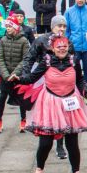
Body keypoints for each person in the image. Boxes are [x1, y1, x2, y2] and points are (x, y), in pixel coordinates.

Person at [18, 35, 87, 173]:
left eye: (64, 46)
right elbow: (32, 78)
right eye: (58, 46)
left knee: (72, 142)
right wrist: (18, 79)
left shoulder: (74, 61)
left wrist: (85, 92)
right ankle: (39, 170)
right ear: (52, 48)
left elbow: (79, 80)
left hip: (70, 103)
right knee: (45, 143)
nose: (62, 48)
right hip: (50, 104)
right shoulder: (46, 62)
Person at [22, 14, 70, 159]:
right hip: (44, 80)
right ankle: (45, 141)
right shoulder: (41, 40)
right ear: (52, 27)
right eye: (59, 26)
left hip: (63, 83)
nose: (61, 29)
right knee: (48, 114)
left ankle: (60, 145)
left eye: (64, 26)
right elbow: (29, 58)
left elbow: (73, 60)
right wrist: (26, 75)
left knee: (62, 114)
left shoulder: (67, 41)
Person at [0, 14, 29, 133]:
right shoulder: (3, 40)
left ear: (15, 27)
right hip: (6, 76)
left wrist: (15, 74)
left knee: (21, 98)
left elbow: (25, 59)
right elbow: (0, 58)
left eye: (10, 26)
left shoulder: (24, 41)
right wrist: (6, 75)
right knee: (2, 97)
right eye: (7, 26)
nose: (7, 28)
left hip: (18, 76)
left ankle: (23, 120)